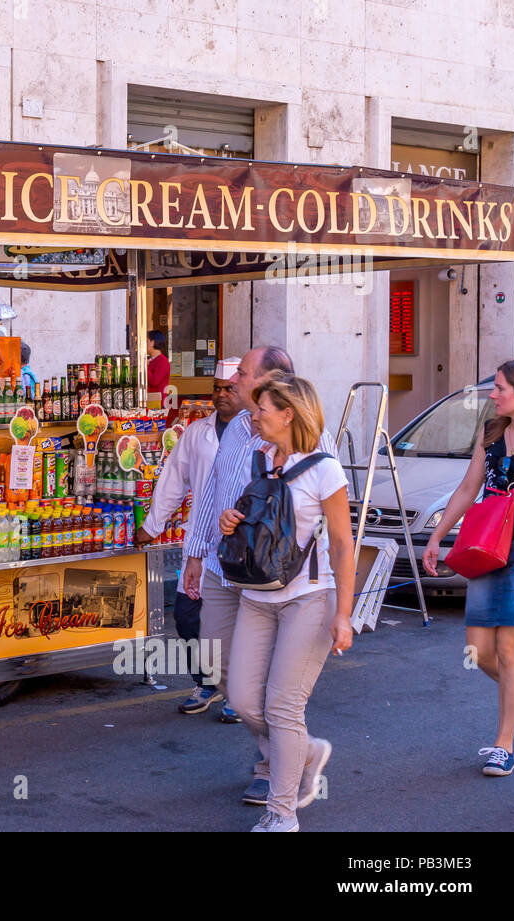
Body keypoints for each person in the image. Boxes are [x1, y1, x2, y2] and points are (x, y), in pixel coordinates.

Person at [182, 345, 337, 805]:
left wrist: (332, 593)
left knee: (275, 690)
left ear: (271, 382)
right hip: (223, 566)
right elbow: (212, 489)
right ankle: (300, 753)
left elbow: (329, 519)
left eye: (244, 373)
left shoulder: (313, 441)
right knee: (224, 668)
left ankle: (274, 768)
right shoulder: (234, 430)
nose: (233, 379)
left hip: (277, 577)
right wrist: (195, 551)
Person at [220, 371, 354, 832]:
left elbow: (341, 545)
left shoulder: (324, 469)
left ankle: (283, 812)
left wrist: (344, 614)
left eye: (261, 410)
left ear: (288, 414)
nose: (254, 416)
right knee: (242, 700)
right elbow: (254, 520)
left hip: (309, 599)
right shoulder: (259, 459)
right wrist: (229, 520)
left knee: (282, 708)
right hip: (257, 595)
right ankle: (306, 751)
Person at [423, 360, 514, 776]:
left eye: (500, 388)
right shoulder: (491, 433)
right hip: (485, 550)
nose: (493, 394)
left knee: (510, 649)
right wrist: (436, 535)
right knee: (479, 652)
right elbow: (468, 488)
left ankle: (503, 744)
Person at [137, 365, 242, 717]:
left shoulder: (257, 433)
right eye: (218, 388)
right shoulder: (197, 433)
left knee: (241, 623)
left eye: (230, 388)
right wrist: (152, 525)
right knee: (186, 617)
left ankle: (239, 693)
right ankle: (207, 682)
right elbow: (173, 481)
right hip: (200, 543)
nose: (222, 394)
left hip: (243, 546)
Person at [147, 330, 171, 396]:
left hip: (158, 403)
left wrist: (145, 367)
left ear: (152, 342)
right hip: (150, 401)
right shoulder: (151, 360)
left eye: (147, 341)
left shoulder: (163, 361)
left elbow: (154, 381)